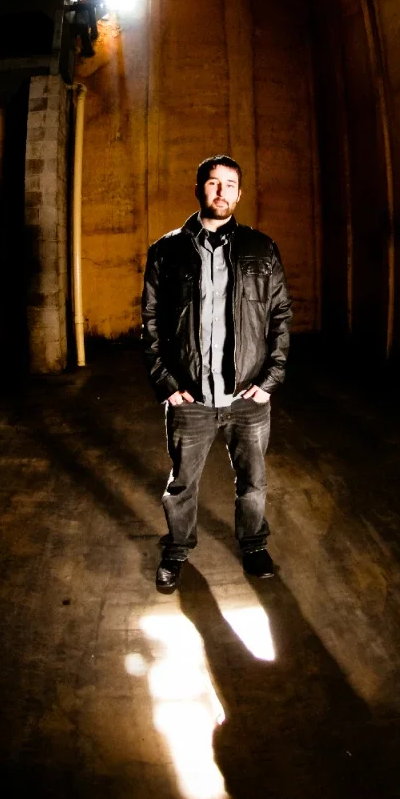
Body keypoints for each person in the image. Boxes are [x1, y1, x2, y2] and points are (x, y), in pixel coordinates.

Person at [142, 155, 292, 594]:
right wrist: (165, 383)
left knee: (253, 480)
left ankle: (253, 543)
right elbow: (150, 320)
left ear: (239, 194)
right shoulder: (166, 250)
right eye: (213, 183)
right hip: (191, 397)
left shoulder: (261, 248)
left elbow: (280, 315)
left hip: (247, 396)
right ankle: (177, 548)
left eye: (230, 184)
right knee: (182, 482)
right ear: (199, 188)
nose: (221, 191)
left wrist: (269, 380)